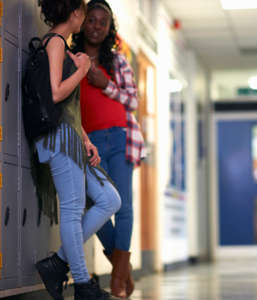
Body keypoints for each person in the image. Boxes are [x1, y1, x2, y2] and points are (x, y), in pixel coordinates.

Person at [33, 1, 121, 299]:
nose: (84, 19)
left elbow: (67, 106)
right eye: (83, 12)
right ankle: (83, 284)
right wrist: (83, 69)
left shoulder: (62, 44)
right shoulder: (55, 43)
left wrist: (85, 138)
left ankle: (57, 263)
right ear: (74, 14)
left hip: (71, 137)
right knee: (72, 211)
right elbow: (57, 92)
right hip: (58, 139)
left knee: (110, 199)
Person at [71, 0, 146, 298]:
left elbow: (133, 101)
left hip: (119, 138)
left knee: (124, 207)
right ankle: (121, 268)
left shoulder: (117, 62)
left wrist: (106, 84)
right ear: (83, 22)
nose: (96, 26)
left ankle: (116, 279)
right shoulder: (70, 58)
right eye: (92, 20)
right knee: (94, 205)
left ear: (109, 28)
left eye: (103, 22)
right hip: (89, 142)